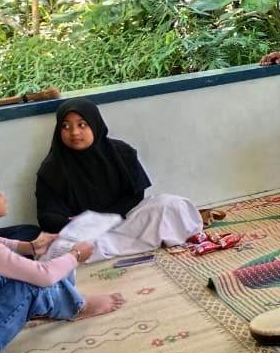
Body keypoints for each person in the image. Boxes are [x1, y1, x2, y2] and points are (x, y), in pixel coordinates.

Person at [0, 164, 124, 353]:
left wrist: (30, 247)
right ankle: (78, 307)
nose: (2, 195)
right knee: (28, 282)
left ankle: (52, 302)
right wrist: (75, 255)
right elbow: (43, 275)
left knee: (4, 271)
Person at [36, 100, 202, 263]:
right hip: (85, 233)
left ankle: (128, 242)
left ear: (95, 124)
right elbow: (46, 215)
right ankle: (132, 242)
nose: (74, 132)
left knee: (171, 205)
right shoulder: (52, 168)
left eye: (82, 125)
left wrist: (105, 218)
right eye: (66, 126)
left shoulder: (121, 152)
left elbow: (135, 195)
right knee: (59, 249)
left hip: (124, 219)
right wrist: (77, 223)